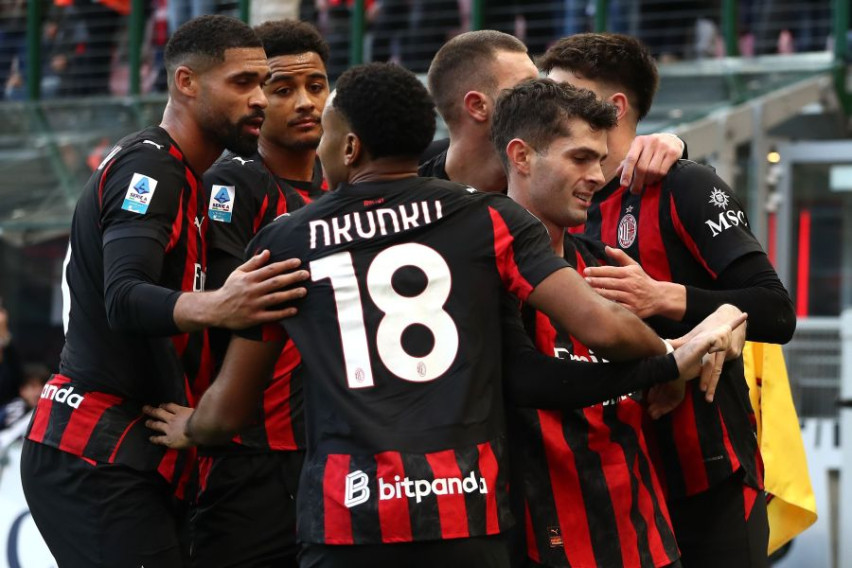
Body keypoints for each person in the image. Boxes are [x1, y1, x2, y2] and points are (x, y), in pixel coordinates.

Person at [145, 62, 742, 568]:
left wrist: (193, 427)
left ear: (349, 146)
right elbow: (605, 328)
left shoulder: (288, 240)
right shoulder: (488, 218)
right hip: (467, 511)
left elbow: (228, 413)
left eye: (328, 131)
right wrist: (669, 362)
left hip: (348, 519)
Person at [20, 15, 310, 567]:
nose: (259, 99)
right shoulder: (151, 166)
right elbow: (124, 296)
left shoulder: (187, 176)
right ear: (186, 82)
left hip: (131, 453)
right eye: (242, 83)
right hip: (95, 451)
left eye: (261, 83)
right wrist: (221, 304)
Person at [540, 33, 796, 567]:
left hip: (705, 478)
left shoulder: (685, 186)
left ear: (614, 108)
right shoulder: (550, 200)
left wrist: (662, 297)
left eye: (564, 95)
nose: (550, 108)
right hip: (607, 484)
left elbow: (775, 309)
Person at [492, 77, 690, 568]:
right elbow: (527, 381)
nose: (597, 177)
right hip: (543, 541)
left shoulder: (609, 266)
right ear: (521, 157)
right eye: (580, 158)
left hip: (645, 537)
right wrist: (667, 363)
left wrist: (712, 331)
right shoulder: (480, 270)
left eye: (600, 161)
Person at [193, 19, 330, 568]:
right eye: (283, 89)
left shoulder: (344, 183)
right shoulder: (234, 183)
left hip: (335, 453)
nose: (305, 103)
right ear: (255, 98)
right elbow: (227, 312)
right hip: (250, 455)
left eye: (316, 86)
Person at [420, 30, 686, 194]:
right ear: (478, 106)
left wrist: (671, 144)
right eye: (527, 88)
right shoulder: (410, 177)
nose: (545, 98)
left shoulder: (552, 179)